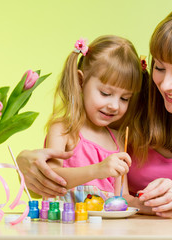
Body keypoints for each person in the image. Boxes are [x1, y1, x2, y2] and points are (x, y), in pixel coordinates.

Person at [17, 3, 172, 217]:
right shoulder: (138, 95)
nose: (164, 85)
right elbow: (82, 139)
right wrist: (25, 160)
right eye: (160, 67)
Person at [22, 35, 143, 202]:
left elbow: (122, 197)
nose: (115, 105)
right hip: (65, 226)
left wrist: (145, 204)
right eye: (106, 93)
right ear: (80, 81)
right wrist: (98, 170)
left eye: (124, 98)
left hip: (106, 228)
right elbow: (51, 178)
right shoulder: (64, 130)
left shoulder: (118, 141)